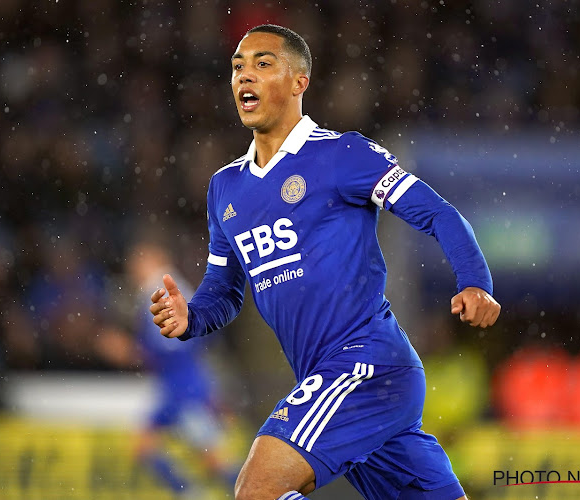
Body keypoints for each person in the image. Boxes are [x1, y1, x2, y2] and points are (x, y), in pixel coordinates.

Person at [150, 24, 501, 500]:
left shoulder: (342, 154)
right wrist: (192, 317)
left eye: (262, 64)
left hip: (365, 364)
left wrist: (474, 280)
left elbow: (437, 212)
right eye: (237, 67)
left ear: (299, 82)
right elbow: (225, 288)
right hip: (336, 379)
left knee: (258, 491)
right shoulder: (224, 188)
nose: (244, 77)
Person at [127, 241, 239, 496]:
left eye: (137, 264)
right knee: (145, 447)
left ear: (154, 262)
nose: (133, 270)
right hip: (177, 386)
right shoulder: (167, 289)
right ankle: (192, 494)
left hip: (185, 388)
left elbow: (175, 345)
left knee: (213, 459)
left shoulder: (160, 292)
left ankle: (261, 492)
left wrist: (131, 351)